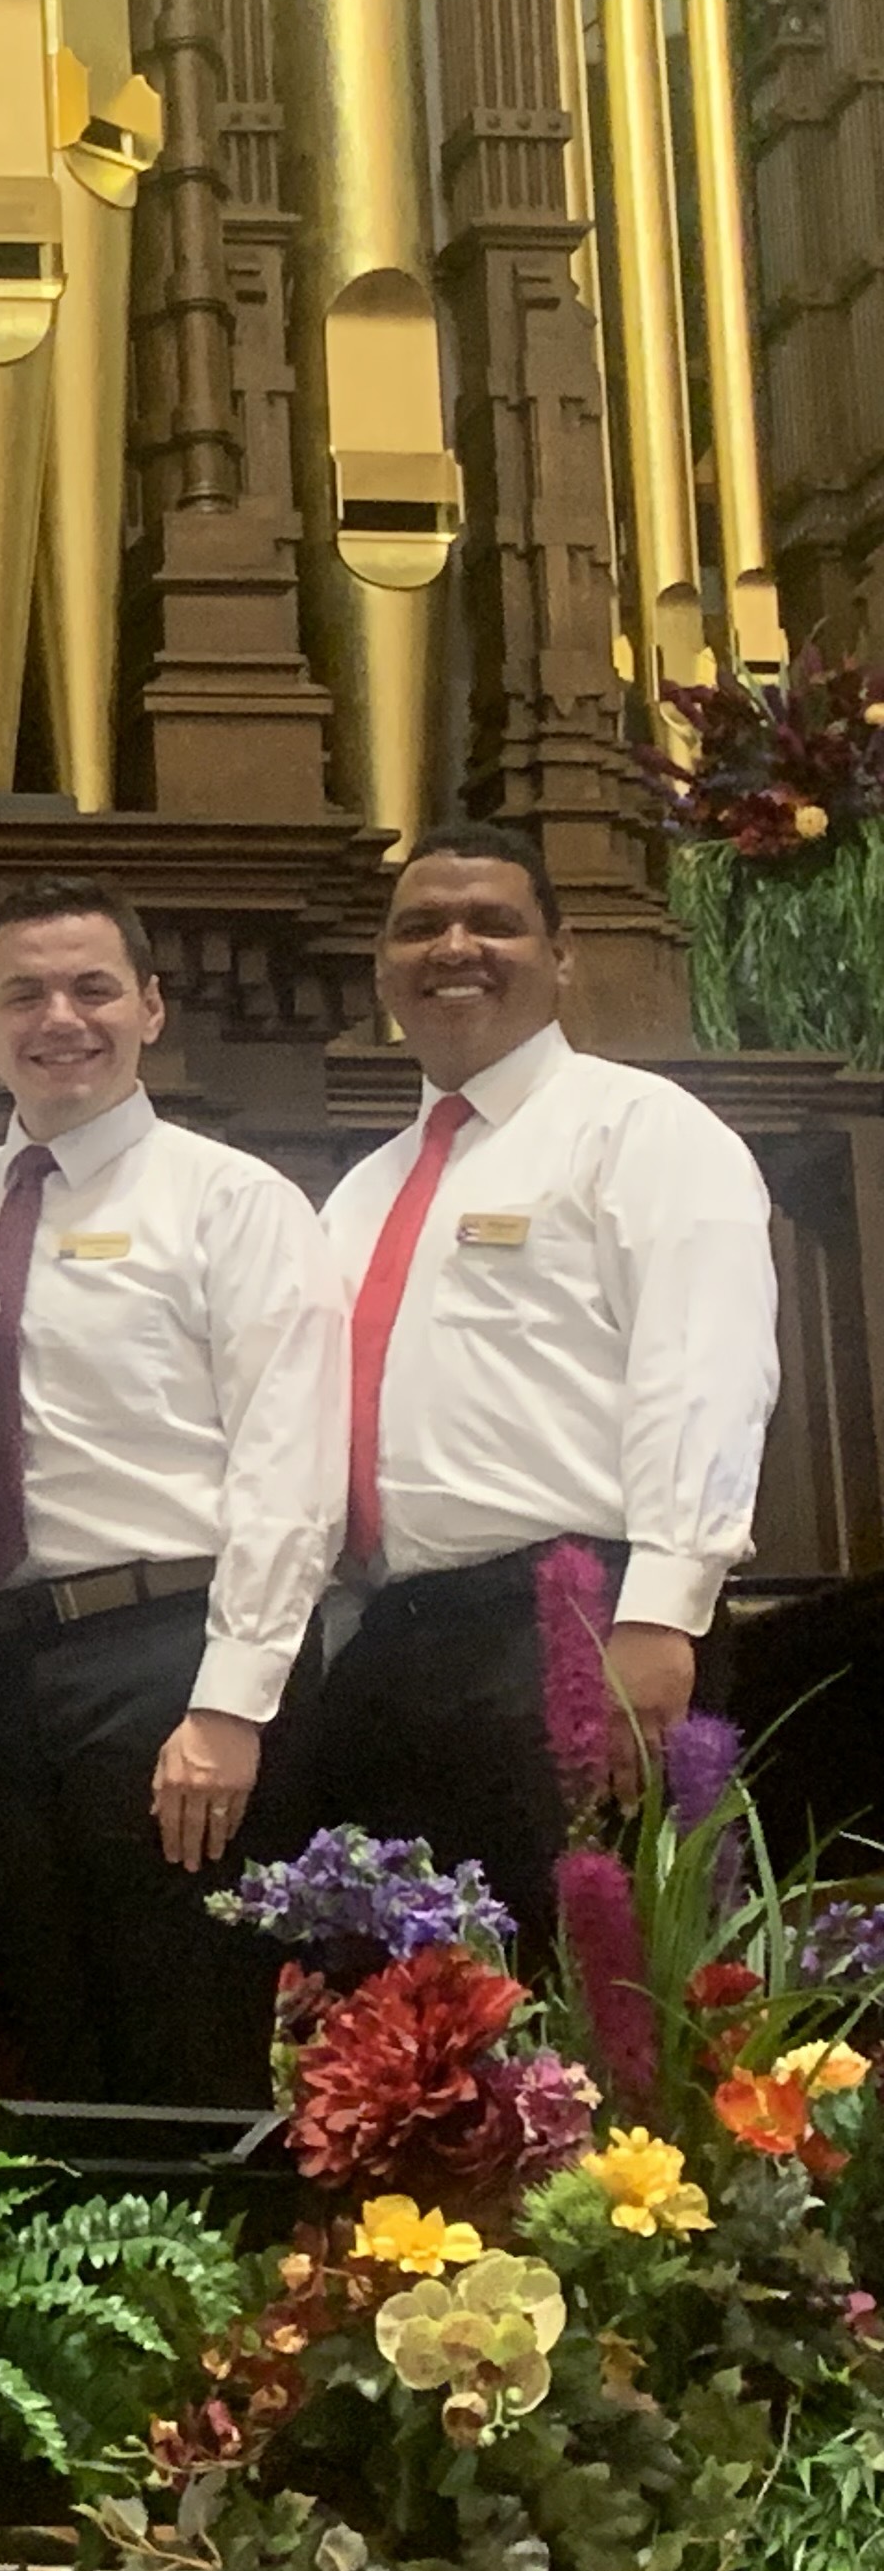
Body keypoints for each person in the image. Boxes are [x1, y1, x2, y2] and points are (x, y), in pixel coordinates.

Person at [307, 821, 781, 1951]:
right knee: (424, 2030)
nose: (454, 946)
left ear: (561, 955)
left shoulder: (643, 1131)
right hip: (395, 1637)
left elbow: (706, 1371)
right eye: (419, 927)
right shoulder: (362, 1193)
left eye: (494, 923)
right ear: (382, 968)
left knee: (592, 2016)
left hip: (578, 1620)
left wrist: (661, 1611)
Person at [0, 878, 343, 2108]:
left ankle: (212, 2301)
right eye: (26, 993)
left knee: (191, 2031)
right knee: (48, 2042)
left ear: (152, 1008)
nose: (60, 1017)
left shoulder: (232, 1202)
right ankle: (76, 2301)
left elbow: (292, 1461)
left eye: (93, 988)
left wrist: (230, 1705)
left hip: (168, 1655)